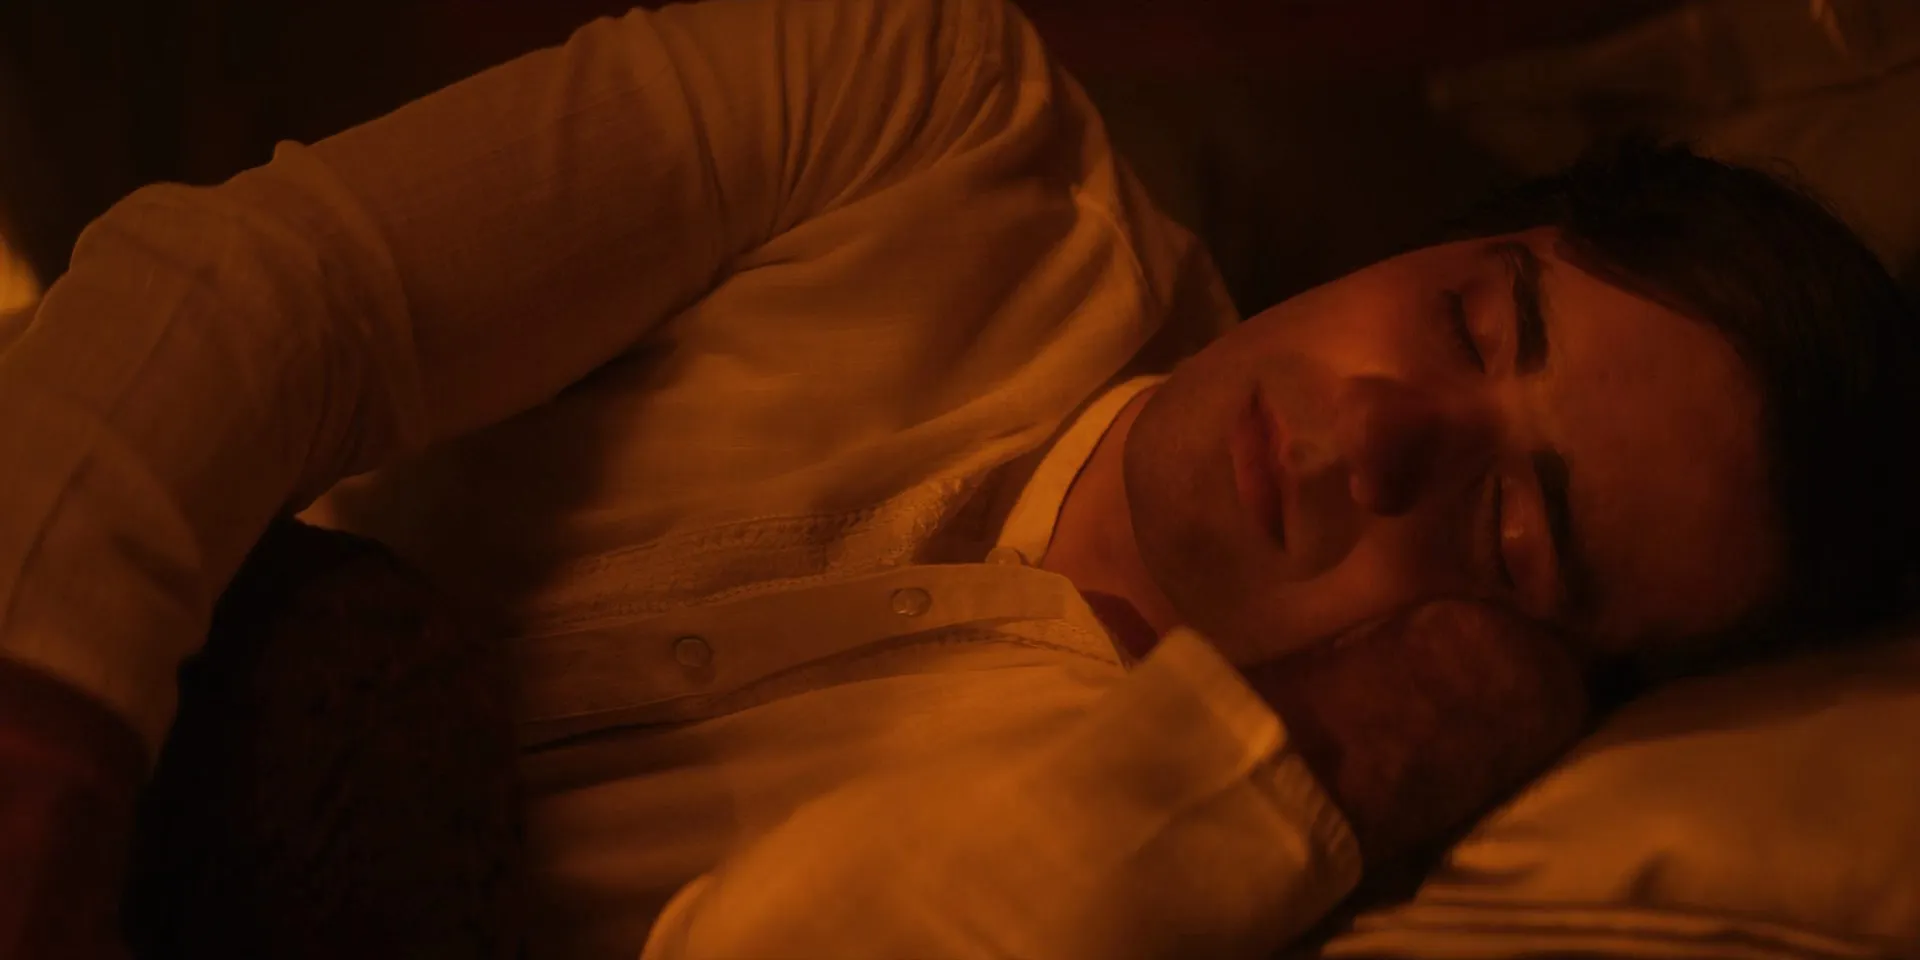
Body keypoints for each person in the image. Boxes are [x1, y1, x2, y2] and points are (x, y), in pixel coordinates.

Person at [1, 0, 1914, 956]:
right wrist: (49, 706)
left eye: (1511, 530)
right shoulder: (939, 108)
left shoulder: (1220, 867)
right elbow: (287, 286)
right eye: (1482, 323)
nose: (1397, 428)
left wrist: (1301, 770)